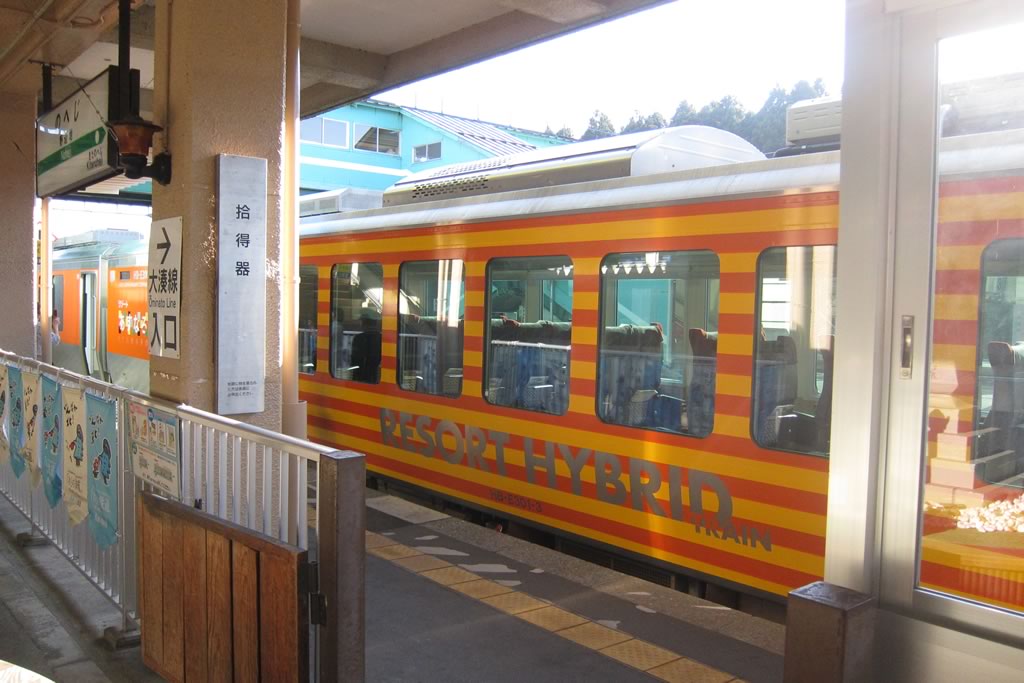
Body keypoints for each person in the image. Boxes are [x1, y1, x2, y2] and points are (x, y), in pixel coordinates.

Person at [350, 308, 382, 383]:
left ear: (364, 323)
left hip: (361, 376)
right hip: (376, 376)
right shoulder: (381, 338)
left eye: (362, 321)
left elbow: (355, 360)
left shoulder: (359, 338)